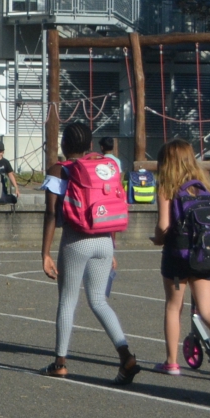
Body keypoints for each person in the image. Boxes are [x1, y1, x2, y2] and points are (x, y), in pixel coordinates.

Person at [39, 121, 141, 383]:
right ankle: (125, 355)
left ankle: (60, 362)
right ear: (90, 145)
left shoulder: (60, 170)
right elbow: (110, 205)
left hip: (76, 239)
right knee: (98, 301)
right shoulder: (103, 166)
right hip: (105, 238)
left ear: (64, 144)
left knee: (67, 301)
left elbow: (51, 213)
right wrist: (111, 246)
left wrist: (45, 253)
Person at [152, 139, 210, 380]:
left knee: (174, 307)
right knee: (207, 310)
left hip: (178, 257)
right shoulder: (204, 188)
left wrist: (157, 239)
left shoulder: (166, 188)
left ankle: (171, 362)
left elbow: (164, 225)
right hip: (206, 254)